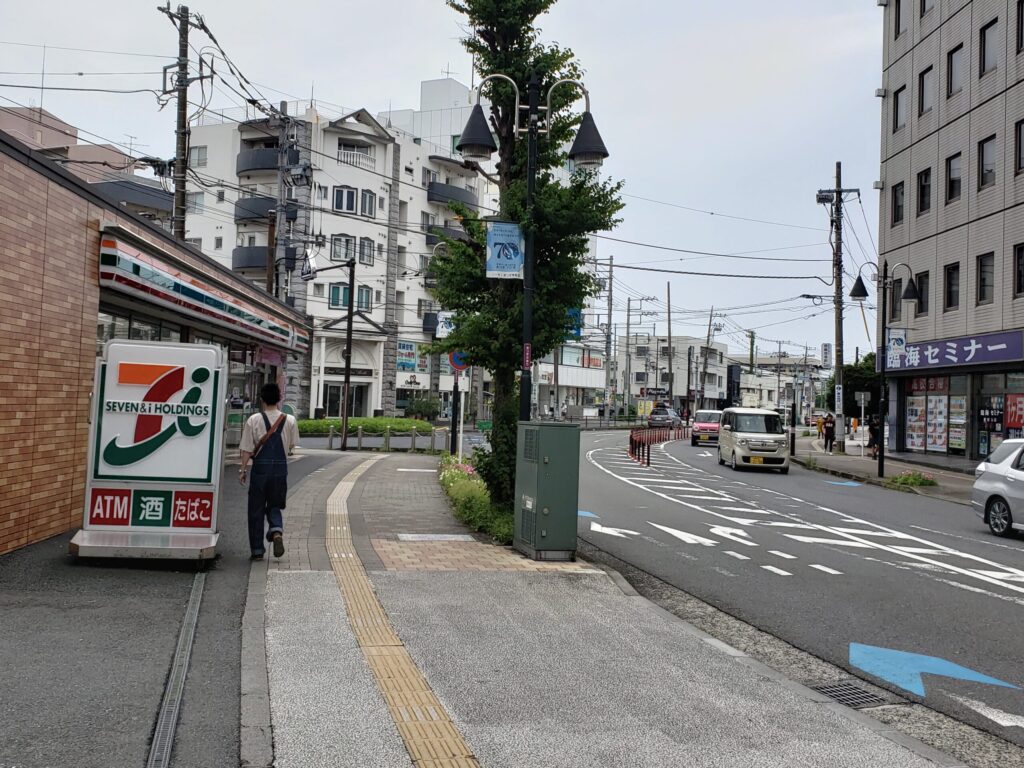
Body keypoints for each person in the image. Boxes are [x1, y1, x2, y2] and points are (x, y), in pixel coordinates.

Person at [239, 383, 300, 560]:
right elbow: (291, 445)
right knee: (275, 504)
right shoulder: (289, 420)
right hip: (280, 470)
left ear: (262, 399)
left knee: (256, 509)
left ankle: (257, 550)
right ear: (279, 399)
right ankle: (276, 531)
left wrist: (243, 470)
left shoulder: (254, 420)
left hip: (260, 470)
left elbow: (246, 450)